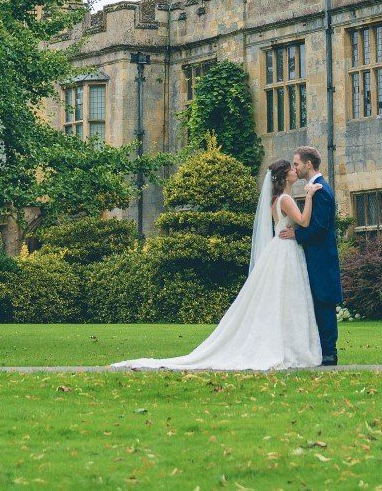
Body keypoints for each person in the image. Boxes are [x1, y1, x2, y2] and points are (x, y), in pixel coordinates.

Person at [110, 157, 322, 371]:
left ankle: (285, 344)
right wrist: (310, 195)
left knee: (281, 298)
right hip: (285, 251)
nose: (296, 170)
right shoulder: (286, 199)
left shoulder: (275, 200)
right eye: (292, 169)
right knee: (286, 297)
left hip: (279, 249)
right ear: (285, 175)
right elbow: (303, 221)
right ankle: (290, 346)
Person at [279, 145, 343, 365]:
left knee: (324, 303)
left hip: (321, 259)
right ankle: (321, 352)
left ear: (308, 164)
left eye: (297, 164)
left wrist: (295, 235)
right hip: (313, 257)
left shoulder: (321, 190)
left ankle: (329, 354)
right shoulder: (314, 188)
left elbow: (319, 228)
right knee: (315, 303)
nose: (294, 168)